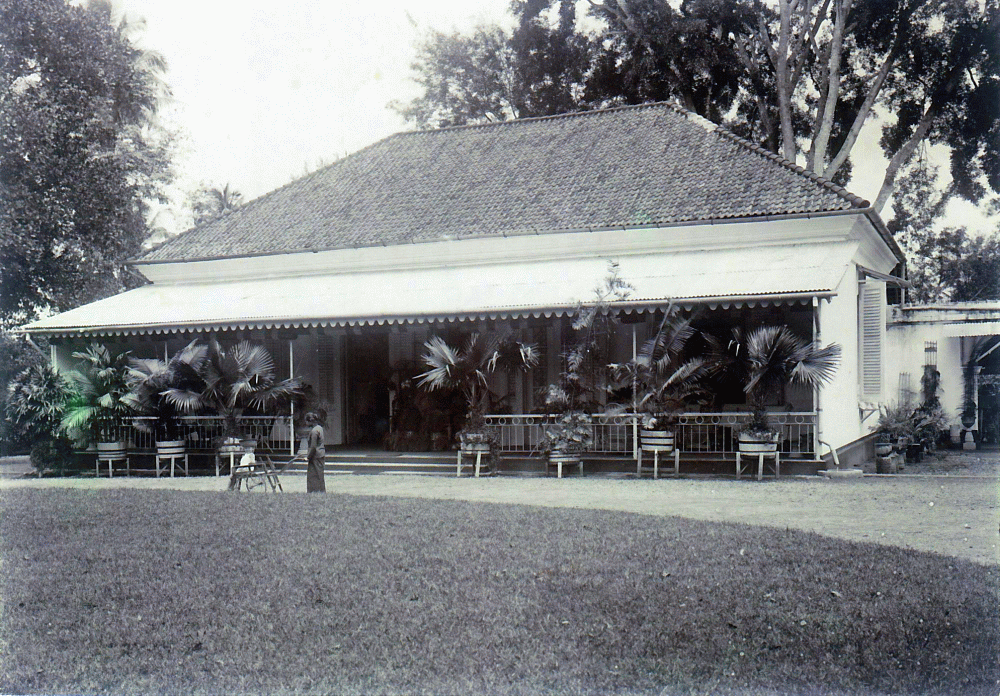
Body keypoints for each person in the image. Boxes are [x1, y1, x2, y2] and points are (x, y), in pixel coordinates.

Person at [305, 411, 326, 493]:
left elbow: (313, 446)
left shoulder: (314, 431)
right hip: (320, 454)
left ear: (309, 421)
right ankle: (320, 491)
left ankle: (314, 491)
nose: (306, 423)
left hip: (315, 456)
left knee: (313, 476)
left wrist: (308, 456)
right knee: (319, 475)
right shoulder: (319, 428)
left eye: (306, 421)